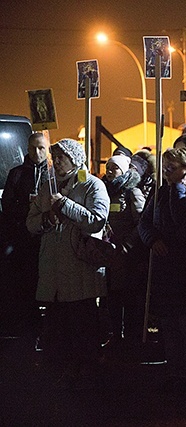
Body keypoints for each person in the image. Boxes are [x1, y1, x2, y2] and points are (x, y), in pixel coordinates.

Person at [25, 138, 110, 389]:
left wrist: (64, 204)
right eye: (55, 155)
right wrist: (47, 219)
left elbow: (96, 220)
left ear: (75, 158)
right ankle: (58, 372)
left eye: (61, 155)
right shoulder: (46, 186)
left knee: (82, 324)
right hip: (53, 270)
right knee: (56, 327)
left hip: (79, 268)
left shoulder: (93, 185)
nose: (57, 160)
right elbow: (30, 223)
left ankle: (88, 373)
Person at [138, 147, 186, 388]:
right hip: (164, 263)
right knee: (168, 319)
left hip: (185, 264)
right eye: (165, 167)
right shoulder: (159, 192)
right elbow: (144, 222)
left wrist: (178, 188)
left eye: (172, 168)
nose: (166, 172)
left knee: (185, 320)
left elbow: (180, 220)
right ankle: (172, 367)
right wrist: (152, 239)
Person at [2, 132, 50, 335]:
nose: (37, 152)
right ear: (27, 149)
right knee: (25, 278)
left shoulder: (53, 173)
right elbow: (7, 204)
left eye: (41, 148)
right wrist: (28, 211)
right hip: (23, 235)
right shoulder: (17, 173)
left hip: (47, 236)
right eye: (33, 148)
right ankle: (26, 320)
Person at [101, 155, 146, 346]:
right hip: (107, 253)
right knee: (110, 295)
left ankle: (130, 336)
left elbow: (142, 222)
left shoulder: (132, 192)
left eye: (115, 168)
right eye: (108, 167)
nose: (110, 172)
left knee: (127, 296)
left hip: (126, 256)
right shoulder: (103, 190)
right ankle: (114, 333)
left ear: (124, 171)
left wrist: (128, 244)